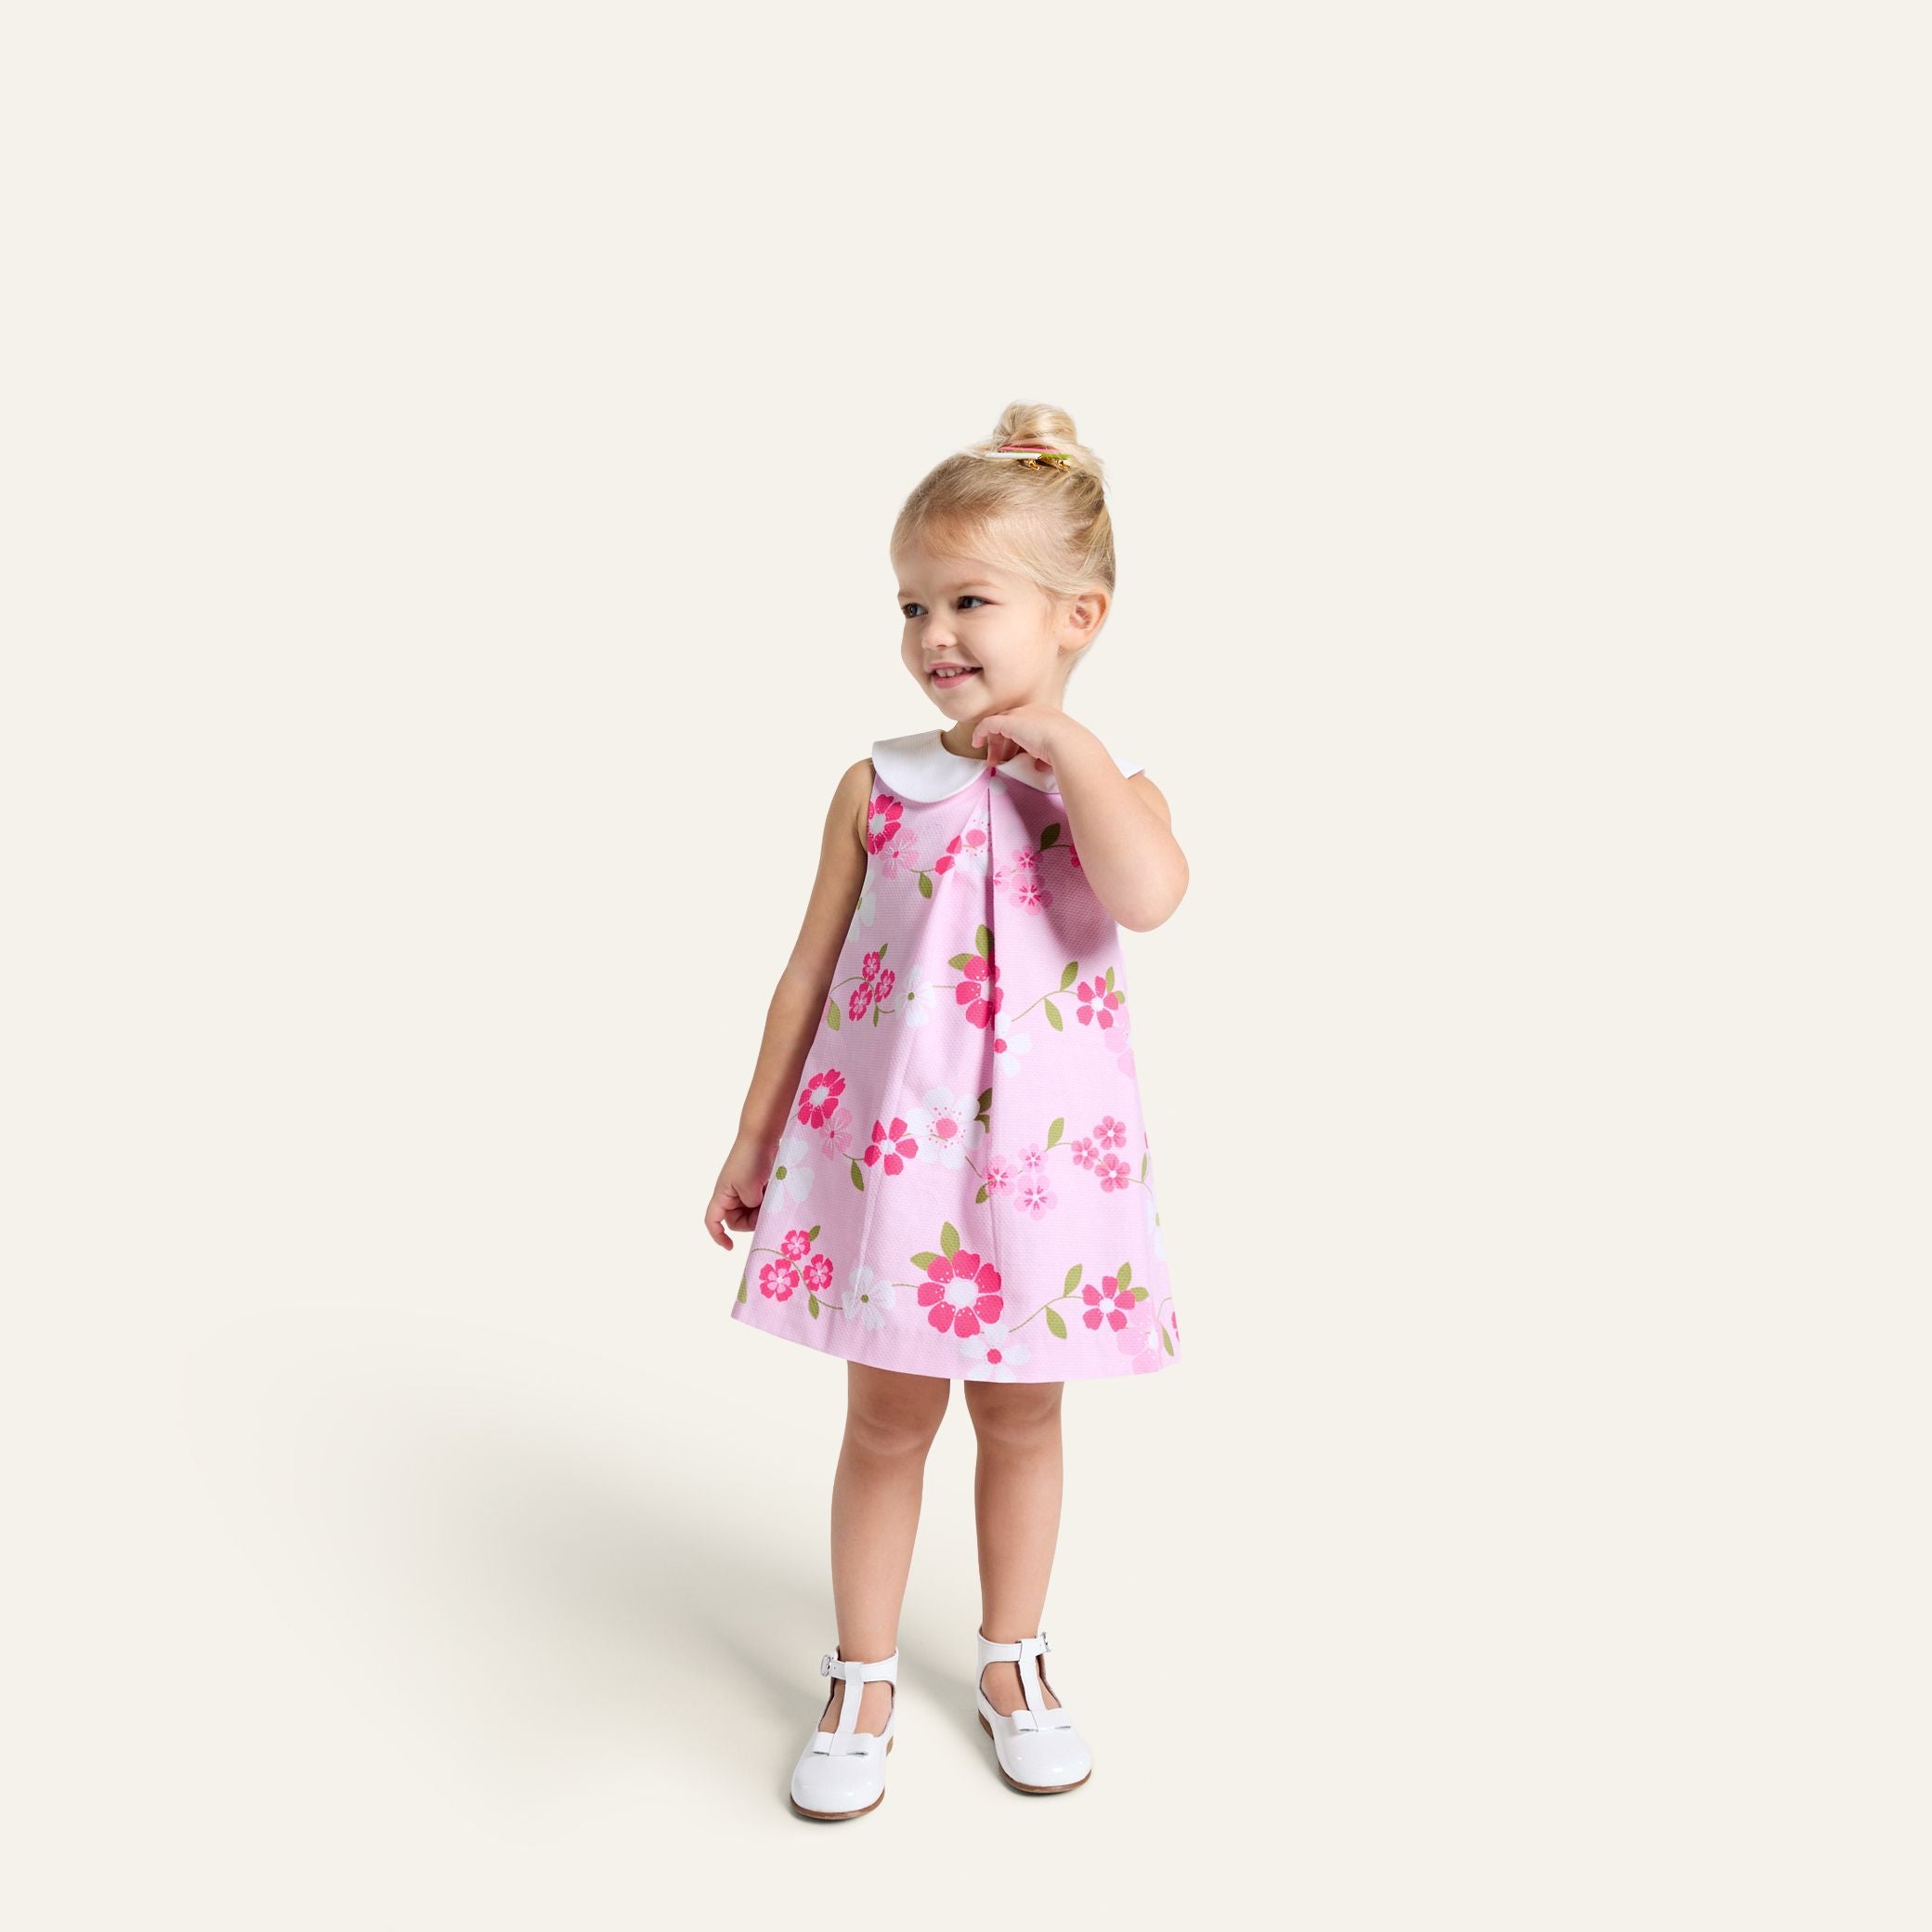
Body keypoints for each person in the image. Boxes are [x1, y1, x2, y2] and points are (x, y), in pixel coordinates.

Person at [702, 402, 1189, 1821]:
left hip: (1043, 1174)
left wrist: (1067, 751)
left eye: (970, 600)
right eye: (913, 604)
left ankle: (1013, 1660)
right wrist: (753, 1138)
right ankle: (860, 1676)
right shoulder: (880, 786)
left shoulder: (1111, 796)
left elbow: (1149, 897)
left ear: (1077, 616)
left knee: (1024, 1422)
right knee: (885, 1421)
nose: (933, 633)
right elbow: (809, 973)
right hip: (896, 1169)